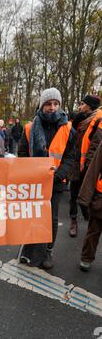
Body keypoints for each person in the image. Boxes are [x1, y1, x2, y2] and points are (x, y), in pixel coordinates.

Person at [18, 87, 76, 269]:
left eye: (55, 104)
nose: (52, 107)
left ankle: (47, 252)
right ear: (42, 105)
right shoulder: (29, 128)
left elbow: (70, 157)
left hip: (56, 183)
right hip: (33, 182)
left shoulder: (68, 129)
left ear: (59, 105)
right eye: (48, 104)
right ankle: (29, 250)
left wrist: (58, 176)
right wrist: (29, 172)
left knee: (51, 218)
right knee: (32, 215)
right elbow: (21, 154)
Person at [68, 95, 102, 237]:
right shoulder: (78, 119)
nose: (80, 107)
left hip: (88, 165)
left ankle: (88, 217)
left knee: (86, 195)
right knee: (73, 193)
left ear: (89, 106)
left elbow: (95, 145)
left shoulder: (97, 120)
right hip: (75, 162)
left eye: (82, 104)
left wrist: (89, 166)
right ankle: (73, 221)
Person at [77, 140, 102, 271]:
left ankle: (86, 258)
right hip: (100, 197)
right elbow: (94, 168)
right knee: (94, 230)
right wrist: (85, 197)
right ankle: (86, 257)